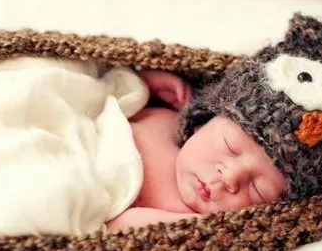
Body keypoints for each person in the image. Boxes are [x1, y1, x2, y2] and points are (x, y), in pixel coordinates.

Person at [106, 70, 286, 232]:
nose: (230, 177)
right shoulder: (170, 119)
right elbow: (108, 98)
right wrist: (143, 85)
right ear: (200, 124)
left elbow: (115, 229)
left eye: (258, 190)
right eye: (229, 146)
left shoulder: (184, 215)